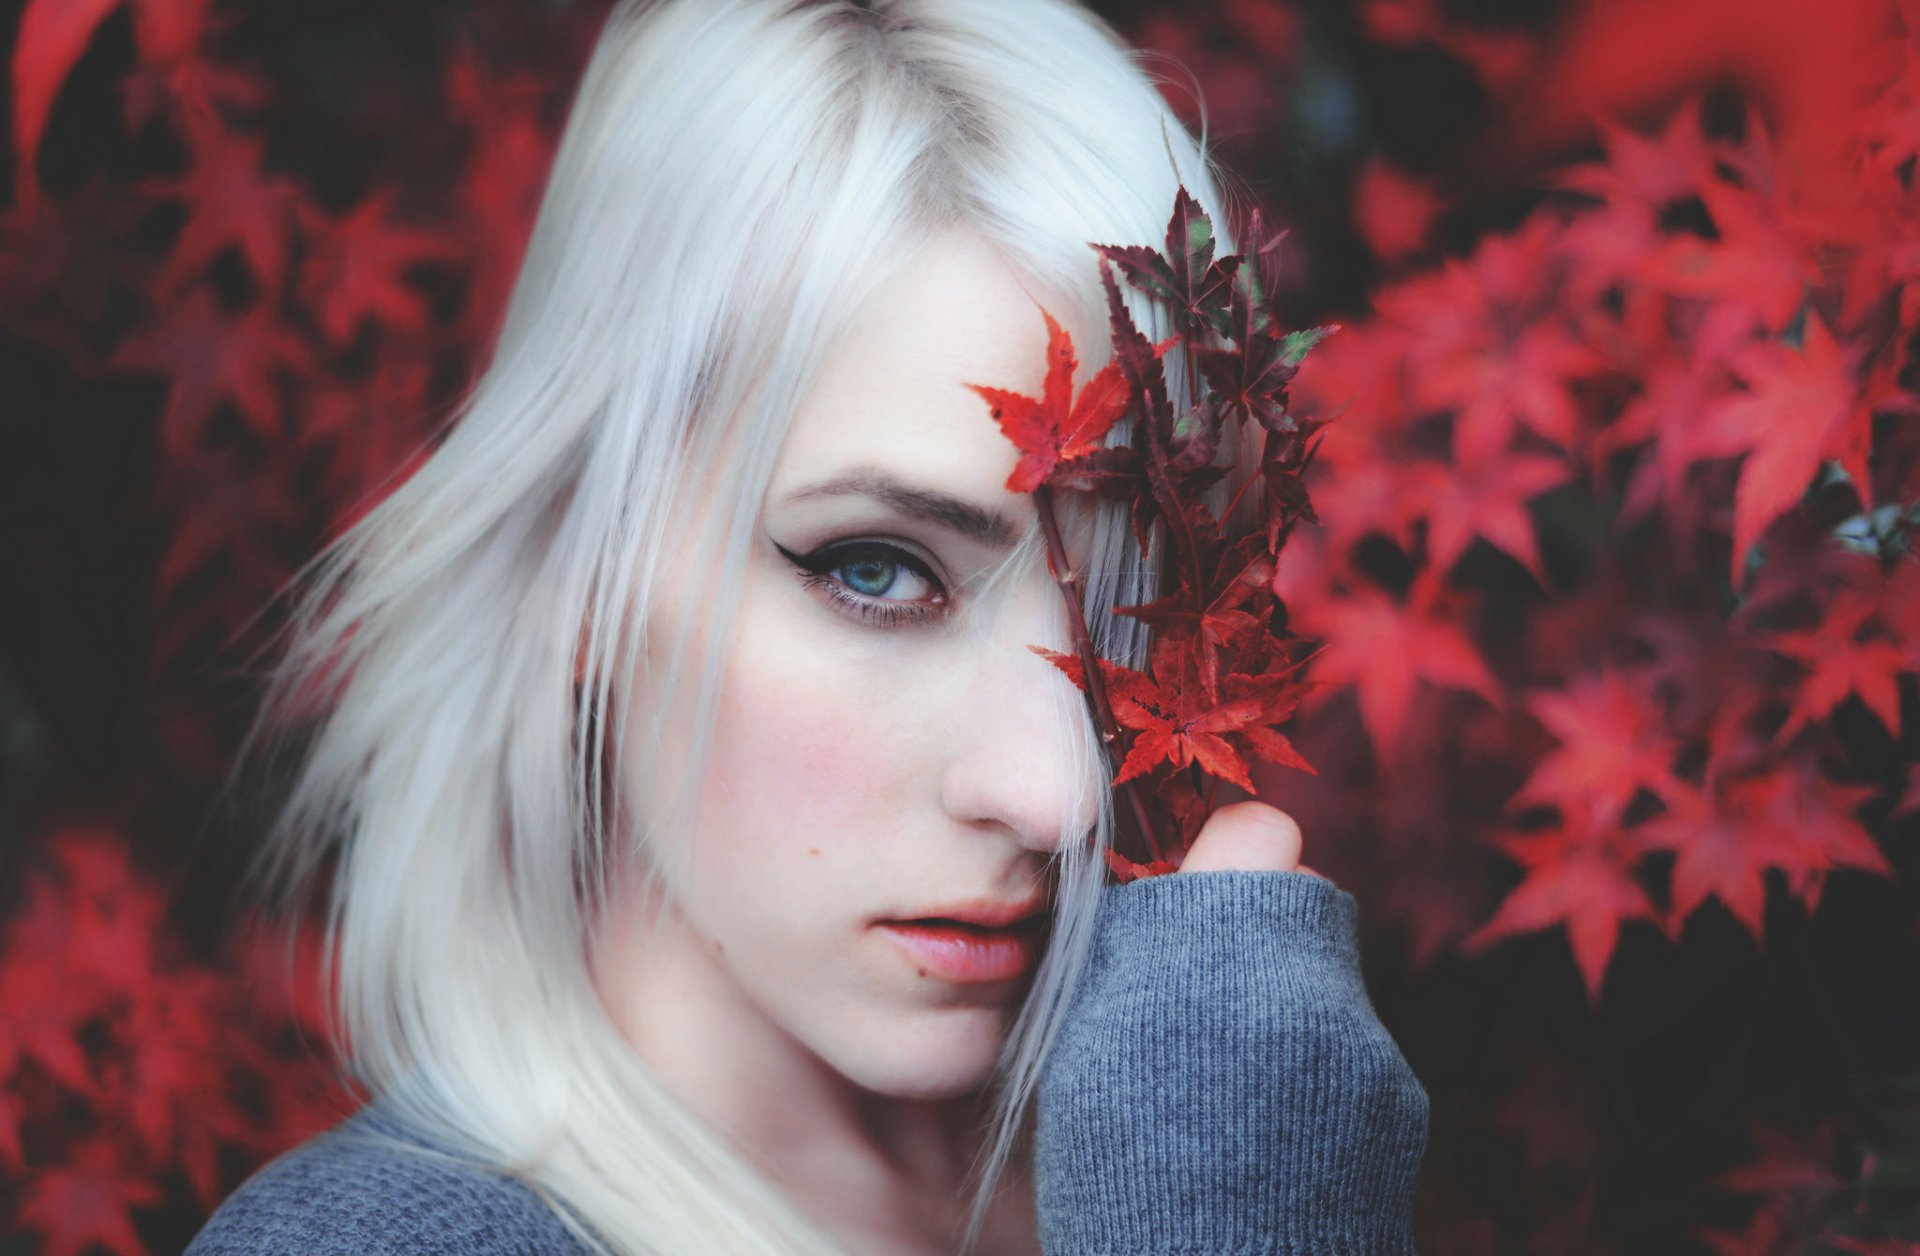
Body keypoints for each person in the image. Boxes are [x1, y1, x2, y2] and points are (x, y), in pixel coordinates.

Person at [186, 0, 1428, 1252]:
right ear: (572, 555)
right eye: (879, 573)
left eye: (1131, 600)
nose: (1056, 794)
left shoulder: (1211, 1164)